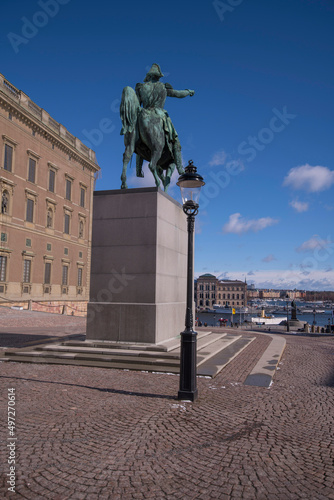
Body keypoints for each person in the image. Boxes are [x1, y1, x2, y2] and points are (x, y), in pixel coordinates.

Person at [134, 64, 194, 176]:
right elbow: (178, 94)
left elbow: (137, 106)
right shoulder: (163, 87)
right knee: (175, 140)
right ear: (158, 76)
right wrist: (188, 91)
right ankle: (180, 168)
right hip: (160, 115)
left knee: (140, 142)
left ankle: (138, 170)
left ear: (149, 76)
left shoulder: (141, 87)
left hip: (143, 114)